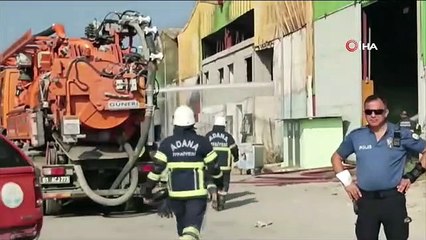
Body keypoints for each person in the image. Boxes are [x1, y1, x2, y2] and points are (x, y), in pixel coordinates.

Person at [331, 95, 426, 240]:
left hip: (393, 200)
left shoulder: (400, 134)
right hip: (366, 202)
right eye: (369, 112)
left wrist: (411, 176)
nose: (373, 115)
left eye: (378, 111)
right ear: (365, 114)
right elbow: (336, 158)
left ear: (386, 112)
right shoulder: (356, 136)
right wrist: (348, 183)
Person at [140, 105, 224, 240]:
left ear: (175, 123)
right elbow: (214, 168)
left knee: (183, 231)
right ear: (192, 122)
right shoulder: (202, 143)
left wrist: (147, 189)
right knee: (191, 230)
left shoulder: (167, 144)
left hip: (175, 197)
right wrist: (219, 185)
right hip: (196, 196)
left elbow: (157, 170)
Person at [205, 116, 239, 211]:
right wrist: (236, 158)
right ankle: (221, 201)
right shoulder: (228, 136)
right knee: (224, 183)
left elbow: (202, 149)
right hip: (225, 166)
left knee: (211, 181)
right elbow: (234, 149)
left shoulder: (208, 136)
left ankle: (213, 193)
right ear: (224, 125)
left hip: (211, 165)